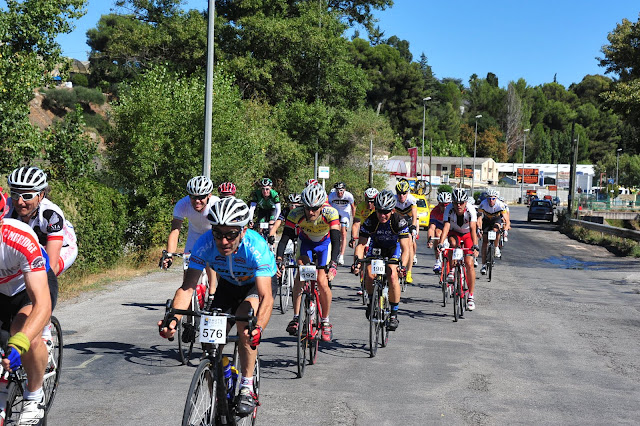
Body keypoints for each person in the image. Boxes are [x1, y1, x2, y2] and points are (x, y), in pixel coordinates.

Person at [158, 198, 276, 416]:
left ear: (243, 230)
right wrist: (173, 319)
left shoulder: (255, 246)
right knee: (209, 337)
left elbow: (265, 296)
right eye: (218, 233)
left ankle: (247, 386)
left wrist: (257, 327)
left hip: (254, 287)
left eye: (231, 234)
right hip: (228, 286)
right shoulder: (204, 243)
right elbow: (187, 288)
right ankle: (220, 396)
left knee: (244, 321)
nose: (223, 241)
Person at [1, 188, 55, 424]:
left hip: (29, 290)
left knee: (25, 333)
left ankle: (34, 395)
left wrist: (20, 342)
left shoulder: (19, 238)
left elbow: (42, 304)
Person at [275, 184, 341, 342]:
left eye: (315, 208)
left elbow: (336, 241)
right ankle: (296, 317)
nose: (311, 212)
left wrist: (333, 265)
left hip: (325, 245)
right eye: (307, 208)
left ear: (321, 205)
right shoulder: (295, 213)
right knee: (301, 274)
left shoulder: (330, 213)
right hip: (306, 243)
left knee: (321, 281)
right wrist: (279, 259)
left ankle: (325, 321)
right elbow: (284, 239)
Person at [351, 190, 410, 331]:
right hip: (376, 247)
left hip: (392, 249)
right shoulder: (371, 220)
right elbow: (361, 245)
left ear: (392, 210)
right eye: (379, 211)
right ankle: (371, 302)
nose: (382, 215)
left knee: (392, 273)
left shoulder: (399, 221)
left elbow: (406, 248)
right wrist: (357, 262)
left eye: (386, 212)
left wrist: (403, 266)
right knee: (369, 273)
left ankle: (394, 314)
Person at [6, 166, 78, 277]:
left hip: (63, 247)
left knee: (45, 274)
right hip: (31, 245)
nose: (20, 202)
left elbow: (51, 267)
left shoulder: (51, 214)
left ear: (41, 195)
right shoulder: (7, 207)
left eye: (27, 196)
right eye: (15, 195)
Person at [162, 176, 219, 308]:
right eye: (193, 197)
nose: (197, 201)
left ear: (209, 195)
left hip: (212, 234)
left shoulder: (216, 204)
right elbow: (175, 231)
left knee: (210, 260)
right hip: (194, 237)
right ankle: (188, 318)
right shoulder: (182, 204)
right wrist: (170, 255)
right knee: (187, 277)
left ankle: (212, 292)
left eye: (201, 197)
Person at [438, 189, 479, 310]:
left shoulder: (471, 210)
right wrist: (440, 243)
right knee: (452, 243)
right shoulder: (449, 209)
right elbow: (446, 226)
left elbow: (472, 228)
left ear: (466, 202)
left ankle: (470, 296)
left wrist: (475, 245)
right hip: (454, 232)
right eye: (456, 203)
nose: (459, 205)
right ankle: (452, 269)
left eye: (461, 203)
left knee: (469, 263)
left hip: (467, 234)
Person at [477, 189, 510, 274]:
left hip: (496, 219)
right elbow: (479, 218)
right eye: (489, 199)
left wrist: (505, 230)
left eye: (493, 199)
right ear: (486, 199)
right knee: (484, 241)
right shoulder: (483, 204)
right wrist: (479, 228)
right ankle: (483, 265)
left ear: (496, 199)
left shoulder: (500, 205)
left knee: (496, 229)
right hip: (487, 220)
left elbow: (507, 220)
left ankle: (495, 247)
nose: (491, 201)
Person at [394, 179, 418, 284]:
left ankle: (409, 273)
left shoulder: (412, 200)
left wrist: (413, 227)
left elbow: (414, 215)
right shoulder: (394, 200)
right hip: (398, 220)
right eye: (399, 193)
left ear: (407, 193)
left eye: (404, 193)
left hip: (409, 221)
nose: (401, 196)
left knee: (410, 243)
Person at [327, 182, 355, 265]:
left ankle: (341, 256)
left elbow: (353, 207)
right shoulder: (332, 195)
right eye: (337, 191)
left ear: (344, 190)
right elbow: (327, 206)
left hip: (345, 213)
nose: (339, 193)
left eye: (341, 190)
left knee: (343, 233)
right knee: (333, 233)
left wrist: (354, 219)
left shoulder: (348, 195)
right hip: (335, 213)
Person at [426, 191, 452, 274]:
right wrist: (430, 239)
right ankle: (438, 260)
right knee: (437, 233)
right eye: (442, 205)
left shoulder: (453, 210)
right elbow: (431, 228)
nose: (444, 208)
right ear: (438, 204)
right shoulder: (435, 211)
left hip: (452, 228)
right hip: (441, 227)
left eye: (446, 205)